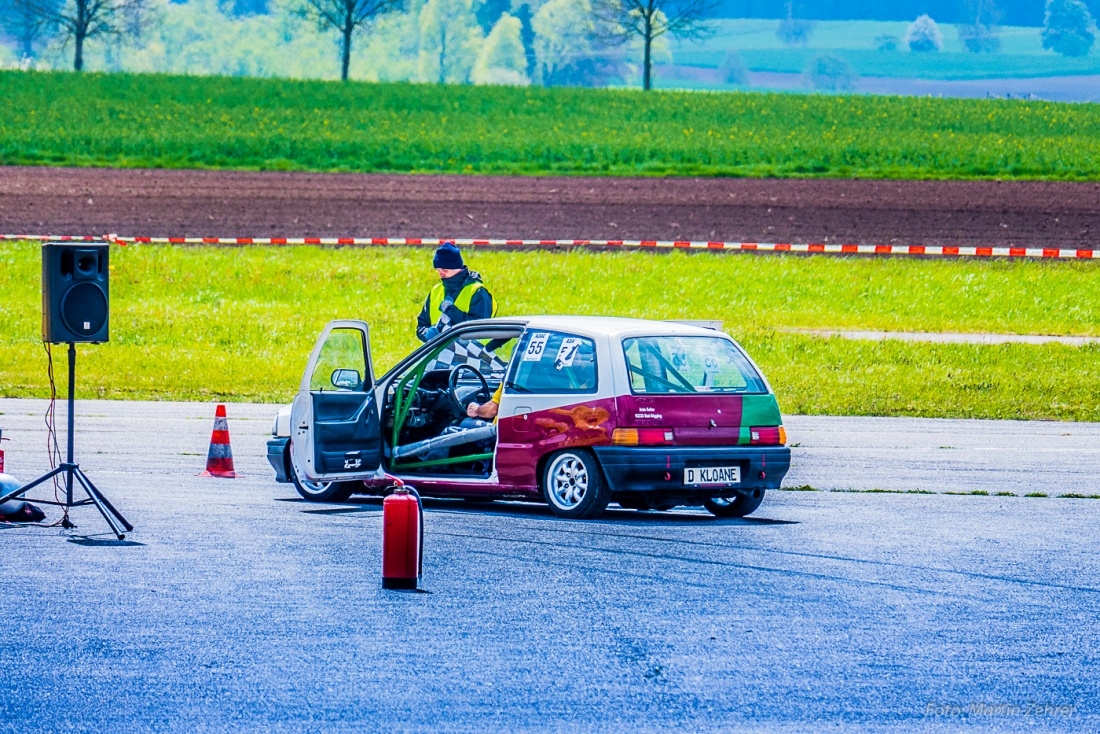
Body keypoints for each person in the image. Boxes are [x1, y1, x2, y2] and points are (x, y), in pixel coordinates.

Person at [416, 242, 497, 342]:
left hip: (472, 355)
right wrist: (427, 335)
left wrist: (451, 311)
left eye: (444, 270)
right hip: (438, 355)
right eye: (438, 270)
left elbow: (480, 329)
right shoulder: (436, 290)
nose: (441, 275)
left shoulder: (477, 291)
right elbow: (421, 325)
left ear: (457, 268)